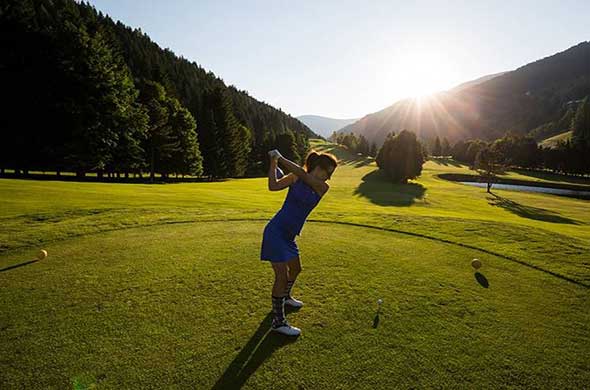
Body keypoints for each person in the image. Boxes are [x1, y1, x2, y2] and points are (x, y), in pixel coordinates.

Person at [261, 149, 338, 336]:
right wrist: (273, 162)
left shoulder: (321, 187)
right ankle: (278, 323)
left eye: (330, 174)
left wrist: (281, 158)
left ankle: (285, 297)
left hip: (288, 236)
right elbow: (273, 185)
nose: (328, 178)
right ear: (318, 168)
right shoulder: (295, 177)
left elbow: (303, 174)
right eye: (327, 172)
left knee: (295, 270)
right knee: (281, 276)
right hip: (275, 232)